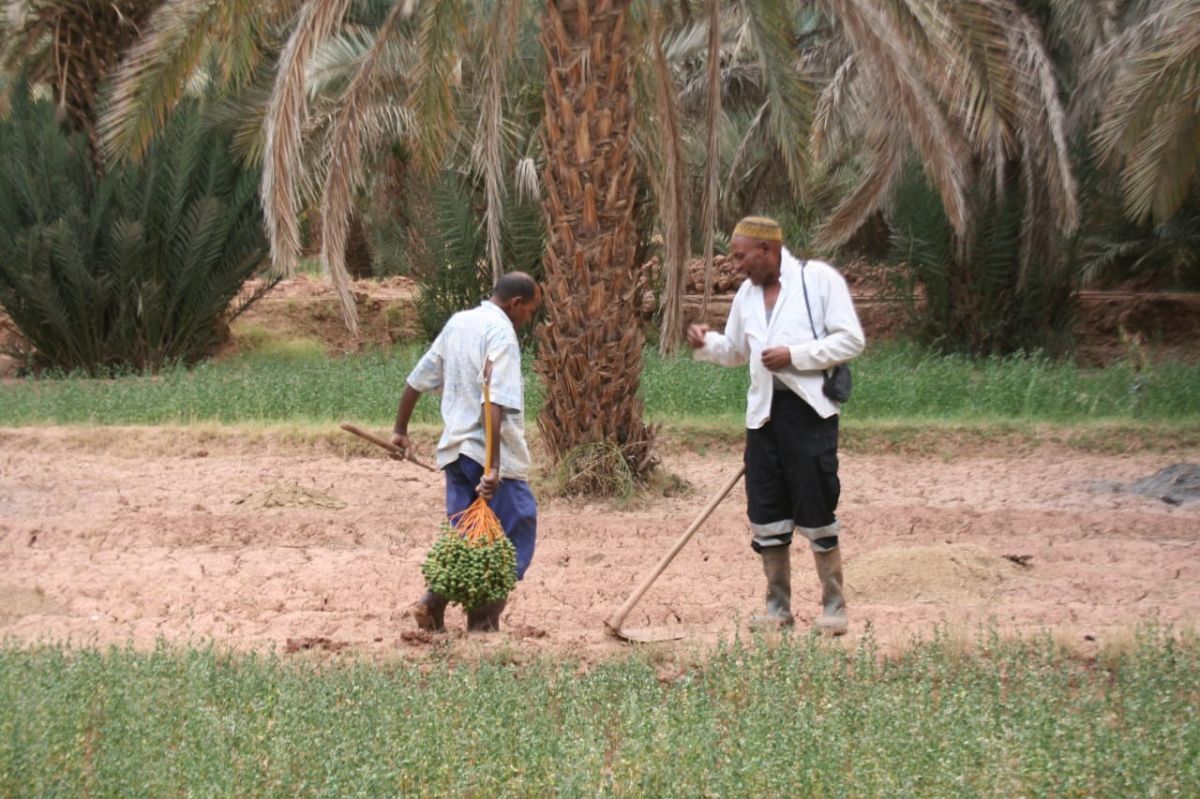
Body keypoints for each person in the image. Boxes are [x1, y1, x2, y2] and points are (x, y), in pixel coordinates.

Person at [687, 216, 864, 635]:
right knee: (767, 512)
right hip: (763, 419)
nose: (735, 266)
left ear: (767, 250)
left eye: (740, 256)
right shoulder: (746, 298)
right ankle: (777, 609)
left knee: (817, 506)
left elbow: (851, 340)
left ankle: (834, 608)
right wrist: (705, 343)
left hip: (809, 416)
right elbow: (734, 351)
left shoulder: (817, 280)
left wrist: (795, 356)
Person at [390, 272, 542, 633]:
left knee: (469, 535)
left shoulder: (459, 323)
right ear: (515, 304)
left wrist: (400, 430)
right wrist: (492, 468)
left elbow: (417, 378)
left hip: (455, 454)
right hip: (485, 453)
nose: (529, 321)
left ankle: (433, 602)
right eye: (530, 312)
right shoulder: (501, 333)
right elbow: (494, 401)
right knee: (517, 527)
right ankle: (482, 622)